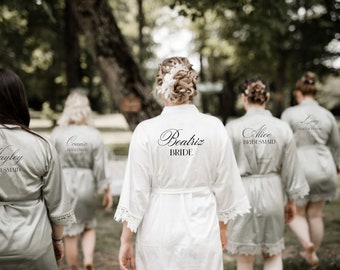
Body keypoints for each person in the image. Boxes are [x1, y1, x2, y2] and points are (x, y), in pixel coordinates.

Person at [114, 56, 251, 270]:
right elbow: (226, 183)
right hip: (203, 227)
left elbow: (136, 190)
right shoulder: (213, 127)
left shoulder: (146, 130)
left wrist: (125, 240)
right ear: (192, 86)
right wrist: (222, 227)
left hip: (158, 227)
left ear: (161, 86)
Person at [225, 77, 309, 270]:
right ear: (267, 97)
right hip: (272, 192)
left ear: (243, 98)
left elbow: (225, 169)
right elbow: (291, 168)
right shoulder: (282, 127)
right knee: (272, 254)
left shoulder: (232, 128)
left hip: (242, 194)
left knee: (245, 259)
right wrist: (291, 202)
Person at [0, 68, 76, 269]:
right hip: (33, 243)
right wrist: (58, 241)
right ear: (19, 100)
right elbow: (57, 203)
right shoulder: (42, 145)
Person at [281, 71, 340, 268]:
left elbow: (283, 144)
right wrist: (337, 166)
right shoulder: (327, 115)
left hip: (301, 167)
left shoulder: (289, 114)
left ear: (298, 93)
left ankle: (307, 244)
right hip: (325, 167)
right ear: (315, 93)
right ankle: (312, 254)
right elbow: (336, 146)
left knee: (295, 212)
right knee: (315, 214)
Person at [51, 89, 113, 270]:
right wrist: (106, 189)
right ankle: (88, 259)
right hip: (87, 184)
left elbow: (51, 162)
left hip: (64, 185)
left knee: (70, 232)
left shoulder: (57, 133)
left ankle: (74, 267)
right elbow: (100, 166)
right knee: (88, 225)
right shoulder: (94, 134)